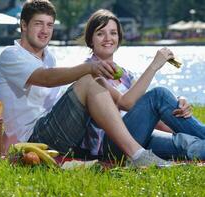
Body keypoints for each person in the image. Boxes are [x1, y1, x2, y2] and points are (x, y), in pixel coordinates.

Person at [0, 0, 175, 167]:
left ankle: (176, 141)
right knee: (89, 80)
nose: (45, 30)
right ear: (24, 25)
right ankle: (137, 156)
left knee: (173, 130)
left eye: (49, 25)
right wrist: (89, 68)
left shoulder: (49, 56)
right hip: (33, 137)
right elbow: (46, 78)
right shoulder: (11, 55)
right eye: (38, 24)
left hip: (58, 131)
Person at [80, 9, 205, 161]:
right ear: (91, 39)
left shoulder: (125, 74)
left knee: (185, 143)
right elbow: (125, 103)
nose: (108, 38)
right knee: (159, 94)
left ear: (119, 37)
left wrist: (176, 107)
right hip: (112, 144)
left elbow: (148, 111)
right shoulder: (89, 72)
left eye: (113, 33)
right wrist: (154, 65)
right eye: (100, 33)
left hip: (138, 137)